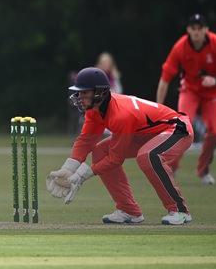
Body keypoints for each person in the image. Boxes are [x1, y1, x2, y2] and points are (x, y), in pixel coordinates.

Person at [47, 67, 194, 225]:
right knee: (101, 151)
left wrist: (82, 176)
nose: (79, 97)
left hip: (177, 129)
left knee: (148, 156)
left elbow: (116, 159)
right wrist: (68, 169)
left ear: (99, 92)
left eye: (84, 92)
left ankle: (180, 210)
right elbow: (86, 141)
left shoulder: (121, 115)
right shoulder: (95, 110)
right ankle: (129, 210)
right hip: (146, 133)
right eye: (79, 92)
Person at [156, 14, 216, 185]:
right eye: (193, 28)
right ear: (188, 30)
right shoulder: (181, 46)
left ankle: (203, 170)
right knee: (183, 127)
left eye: (199, 28)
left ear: (206, 30)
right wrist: (158, 108)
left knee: (214, 132)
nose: (196, 32)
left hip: (212, 91)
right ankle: (172, 167)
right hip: (190, 89)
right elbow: (165, 79)